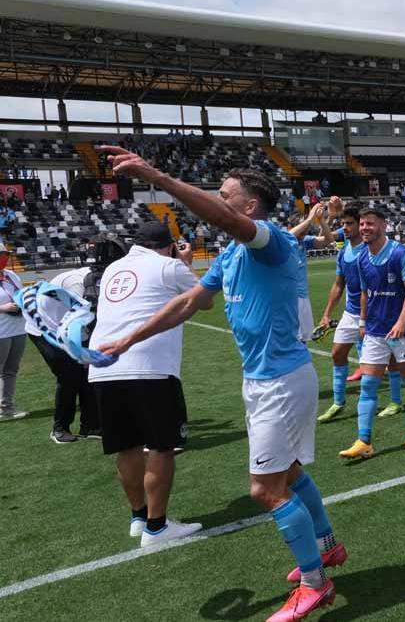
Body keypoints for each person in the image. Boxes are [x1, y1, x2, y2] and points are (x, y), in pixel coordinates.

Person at [96, 147, 342, 621]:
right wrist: (128, 338)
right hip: (263, 380)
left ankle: (315, 584)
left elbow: (227, 223)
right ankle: (327, 547)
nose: (216, 201)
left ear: (249, 206)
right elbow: (190, 302)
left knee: (264, 490)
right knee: (288, 474)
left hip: (281, 381)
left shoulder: (268, 239)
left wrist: (155, 176)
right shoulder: (230, 255)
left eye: (225, 196)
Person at [88, 222, 200, 545]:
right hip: (150, 367)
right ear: (168, 246)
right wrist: (183, 263)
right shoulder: (169, 266)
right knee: (162, 446)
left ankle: (139, 517)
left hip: (104, 367)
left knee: (126, 446)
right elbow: (202, 297)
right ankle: (157, 526)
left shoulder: (112, 269)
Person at [337, 208, 405, 458]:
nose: (364, 227)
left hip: (403, 331)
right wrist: (363, 322)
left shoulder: (400, 254)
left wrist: (400, 322)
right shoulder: (361, 258)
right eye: (362, 224)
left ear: (383, 225)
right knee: (368, 384)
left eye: (370, 224)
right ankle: (363, 441)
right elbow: (364, 293)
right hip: (375, 330)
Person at [27, 261, 101, 443]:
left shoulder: (100, 277)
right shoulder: (76, 283)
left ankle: (90, 425)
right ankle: (60, 428)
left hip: (70, 325)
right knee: (69, 375)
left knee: (88, 375)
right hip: (45, 329)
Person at [315, 204, 369, 423]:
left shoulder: (369, 249)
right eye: (343, 224)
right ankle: (338, 402)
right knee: (338, 353)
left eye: (349, 224)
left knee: (380, 363)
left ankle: (391, 401)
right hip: (351, 312)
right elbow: (338, 285)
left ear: (360, 225)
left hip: (373, 313)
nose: (345, 228)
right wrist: (326, 314)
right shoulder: (343, 252)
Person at [288, 201, 338, 343]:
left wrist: (321, 220)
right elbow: (287, 236)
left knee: (303, 340)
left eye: (307, 228)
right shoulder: (283, 238)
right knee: (291, 340)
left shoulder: (304, 241)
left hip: (303, 297)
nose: (305, 231)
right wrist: (310, 219)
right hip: (287, 298)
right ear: (290, 226)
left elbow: (328, 240)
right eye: (302, 227)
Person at [0, 243, 26, 421]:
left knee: (11, 370)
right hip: (1, 331)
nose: (4, 257)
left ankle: (6, 406)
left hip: (18, 328)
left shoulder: (11, 275)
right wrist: (3, 307)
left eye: (5, 254)